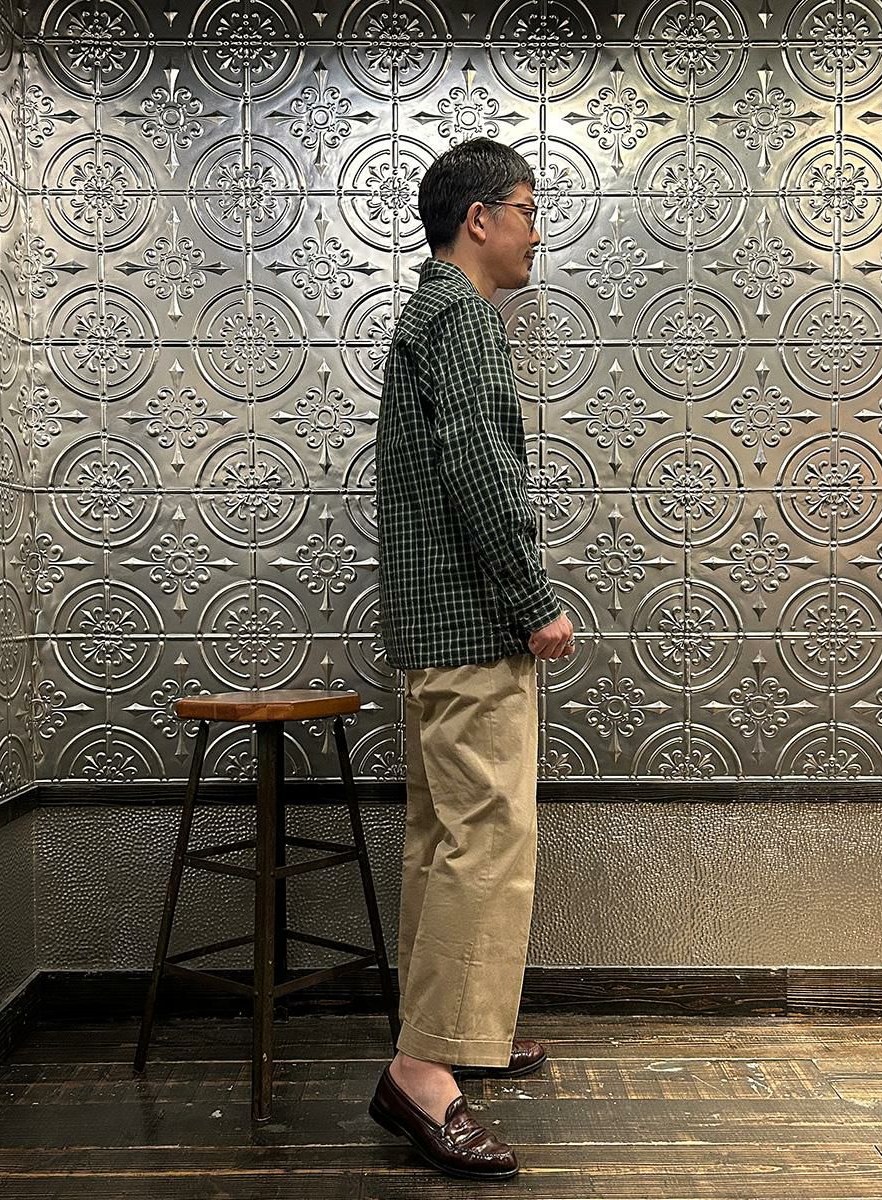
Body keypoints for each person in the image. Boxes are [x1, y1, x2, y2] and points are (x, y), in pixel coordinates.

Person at [368, 137, 575, 1181]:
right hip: (473, 628)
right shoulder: (464, 321)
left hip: (430, 631)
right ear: (480, 219)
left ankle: (454, 1033)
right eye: (528, 211)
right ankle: (423, 1073)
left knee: (444, 842)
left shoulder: (426, 317)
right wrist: (534, 603)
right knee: (486, 843)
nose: (537, 233)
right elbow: (481, 471)